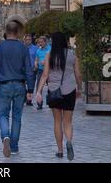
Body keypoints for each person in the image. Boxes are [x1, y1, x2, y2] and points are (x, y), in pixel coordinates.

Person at [36, 32, 82, 161]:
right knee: (68, 121)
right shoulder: (72, 55)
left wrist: (39, 91)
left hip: (54, 91)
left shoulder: (49, 55)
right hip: (70, 91)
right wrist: (79, 88)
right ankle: (69, 141)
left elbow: (44, 75)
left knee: (57, 121)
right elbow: (78, 74)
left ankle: (60, 150)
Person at [0, 21, 35, 158]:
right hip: (19, 85)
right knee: (17, 117)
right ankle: (14, 147)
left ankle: (5, 137)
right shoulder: (23, 48)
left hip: (4, 85)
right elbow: (29, 70)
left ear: (6, 31)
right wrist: (30, 90)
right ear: (17, 32)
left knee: (3, 115)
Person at [34, 36, 51, 110]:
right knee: (39, 87)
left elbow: (53, 59)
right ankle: (39, 103)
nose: (40, 43)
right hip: (40, 70)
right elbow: (36, 59)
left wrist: (47, 61)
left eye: (41, 42)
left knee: (51, 87)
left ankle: (51, 102)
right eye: (39, 42)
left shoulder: (50, 49)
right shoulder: (38, 50)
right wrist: (35, 63)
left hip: (49, 71)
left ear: (45, 42)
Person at [23, 34, 38, 106]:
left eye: (29, 39)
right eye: (26, 40)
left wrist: (35, 67)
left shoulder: (35, 48)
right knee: (21, 84)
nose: (27, 41)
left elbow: (37, 58)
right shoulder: (21, 48)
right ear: (24, 40)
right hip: (22, 70)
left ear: (31, 40)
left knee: (30, 85)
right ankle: (24, 96)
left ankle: (29, 100)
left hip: (31, 70)